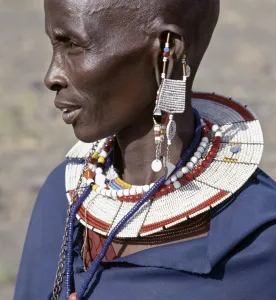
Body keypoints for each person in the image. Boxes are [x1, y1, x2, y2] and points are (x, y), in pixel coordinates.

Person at [14, 0, 276, 299]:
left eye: (73, 45)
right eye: (54, 45)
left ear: (168, 50)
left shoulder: (259, 240)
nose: (52, 76)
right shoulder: (64, 195)